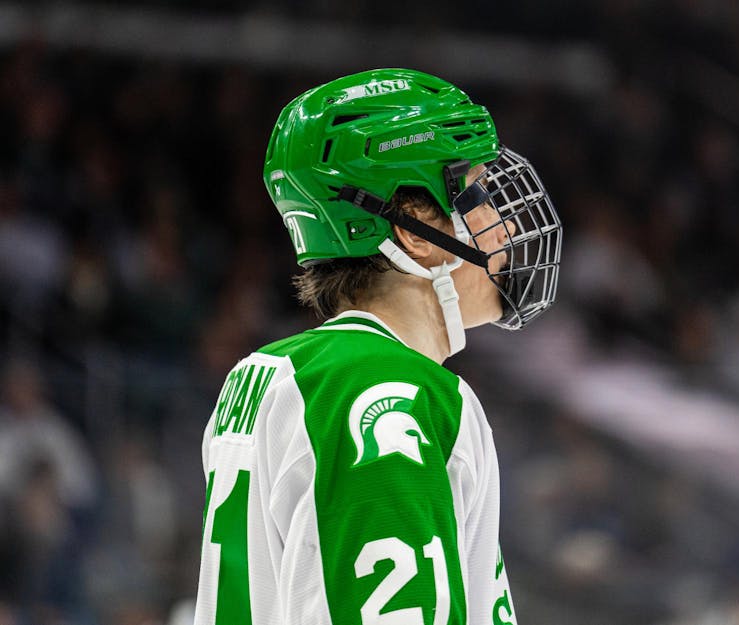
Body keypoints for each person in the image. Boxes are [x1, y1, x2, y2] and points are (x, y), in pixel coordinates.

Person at [193, 68, 562, 625]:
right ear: (414, 228)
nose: (502, 226)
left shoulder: (260, 374)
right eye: (477, 193)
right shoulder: (389, 392)